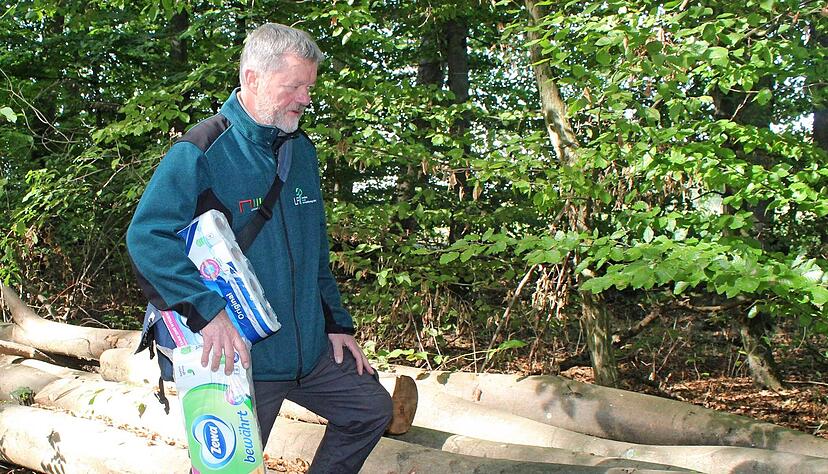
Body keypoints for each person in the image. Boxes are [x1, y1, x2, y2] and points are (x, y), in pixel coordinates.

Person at [126, 22, 392, 473]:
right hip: (242, 362)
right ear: (253, 78)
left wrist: (337, 325)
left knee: (370, 409)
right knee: (226, 469)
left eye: (309, 86)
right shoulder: (204, 150)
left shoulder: (300, 151)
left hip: (309, 352)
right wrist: (208, 313)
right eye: (295, 86)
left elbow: (314, 254)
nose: (306, 98)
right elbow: (146, 237)